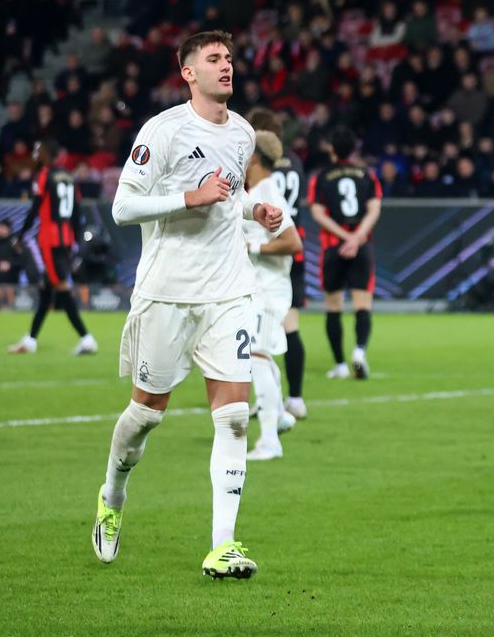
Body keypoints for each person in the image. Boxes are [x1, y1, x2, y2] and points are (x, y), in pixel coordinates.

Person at [91, 31, 284, 579]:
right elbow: (123, 207)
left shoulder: (244, 132)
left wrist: (255, 214)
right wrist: (187, 198)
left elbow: (231, 199)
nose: (226, 67)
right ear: (188, 72)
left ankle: (222, 546)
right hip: (167, 293)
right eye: (214, 60)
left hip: (229, 293)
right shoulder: (163, 131)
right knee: (145, 416)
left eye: (229, 58)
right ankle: (112, 494)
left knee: (234, 419)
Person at [243, 129, 303, 460]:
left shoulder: (267, 191)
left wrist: (252, 245)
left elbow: (294, 243)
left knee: (257, 356)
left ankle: (269, 440)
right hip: (261, 287)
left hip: (268, 289)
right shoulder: (261, 190)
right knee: (259, 353)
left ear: (252, 158)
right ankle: (278, 414)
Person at [8, 139, 98, 355]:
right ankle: (30, 340)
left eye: (38, 150)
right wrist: (75, 242)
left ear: (47, 153)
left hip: (50, 240)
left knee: (60, 287)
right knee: (46, 288)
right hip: (65, 239)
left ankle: (87, 339)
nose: (35, 154)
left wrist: (21, 235)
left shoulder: (44, 175)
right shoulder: (69, 178)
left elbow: (35, 208)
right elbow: (76, 213)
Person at [307, 125, 382, 380]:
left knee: (333, 307)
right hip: (361, 246)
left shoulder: (321, 177)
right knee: (363, 304)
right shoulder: (366, 175)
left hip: (333, 247)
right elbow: (374, 209)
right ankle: (359, 352)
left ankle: (339, 363)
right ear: (353, 149)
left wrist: (343, 237)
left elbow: (317, 213)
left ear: (331, 149)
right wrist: (357, 236)